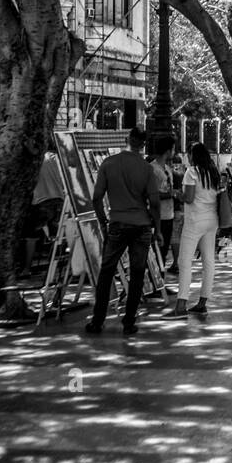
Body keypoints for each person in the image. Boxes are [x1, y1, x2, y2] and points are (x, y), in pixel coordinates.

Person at [87, 126, 163, 336]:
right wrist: (157, 228)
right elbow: (154, 202)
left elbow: (96, 197)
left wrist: (103, 221)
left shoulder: (109, 163)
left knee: (107, 271)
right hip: (141, 225)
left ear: (126, 139)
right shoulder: (146, 168)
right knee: (137, 273)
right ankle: (129, 322)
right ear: (143, 145)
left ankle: (97, 320)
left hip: (117, 223)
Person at [172, 142, 225, 317]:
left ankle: (181, 304)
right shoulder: (213, 172)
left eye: (188, 154)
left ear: (193, 156)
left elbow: (188, 198)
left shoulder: (192, 172)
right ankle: (202, 302)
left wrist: (176, 194)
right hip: (212, 220)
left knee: (184, 261)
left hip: (195, 220)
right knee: (209, 261)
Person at [20, 147, 64, 278]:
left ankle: (26, 269)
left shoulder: (35, 160)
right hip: (59, 200)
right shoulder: (57, 158)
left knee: (31, 237)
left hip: (40, 201)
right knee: (56, 238)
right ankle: (54, 273)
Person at [149, 136, 177, 274]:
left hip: (169, 214)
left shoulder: (167, 168)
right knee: (157, 250)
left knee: (164, 251)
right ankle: (155, 283)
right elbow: (152, 194)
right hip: (158, 215)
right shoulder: (153, 169)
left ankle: (161, 282)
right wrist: (171, 194)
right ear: (167, 150)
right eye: (173, 149)